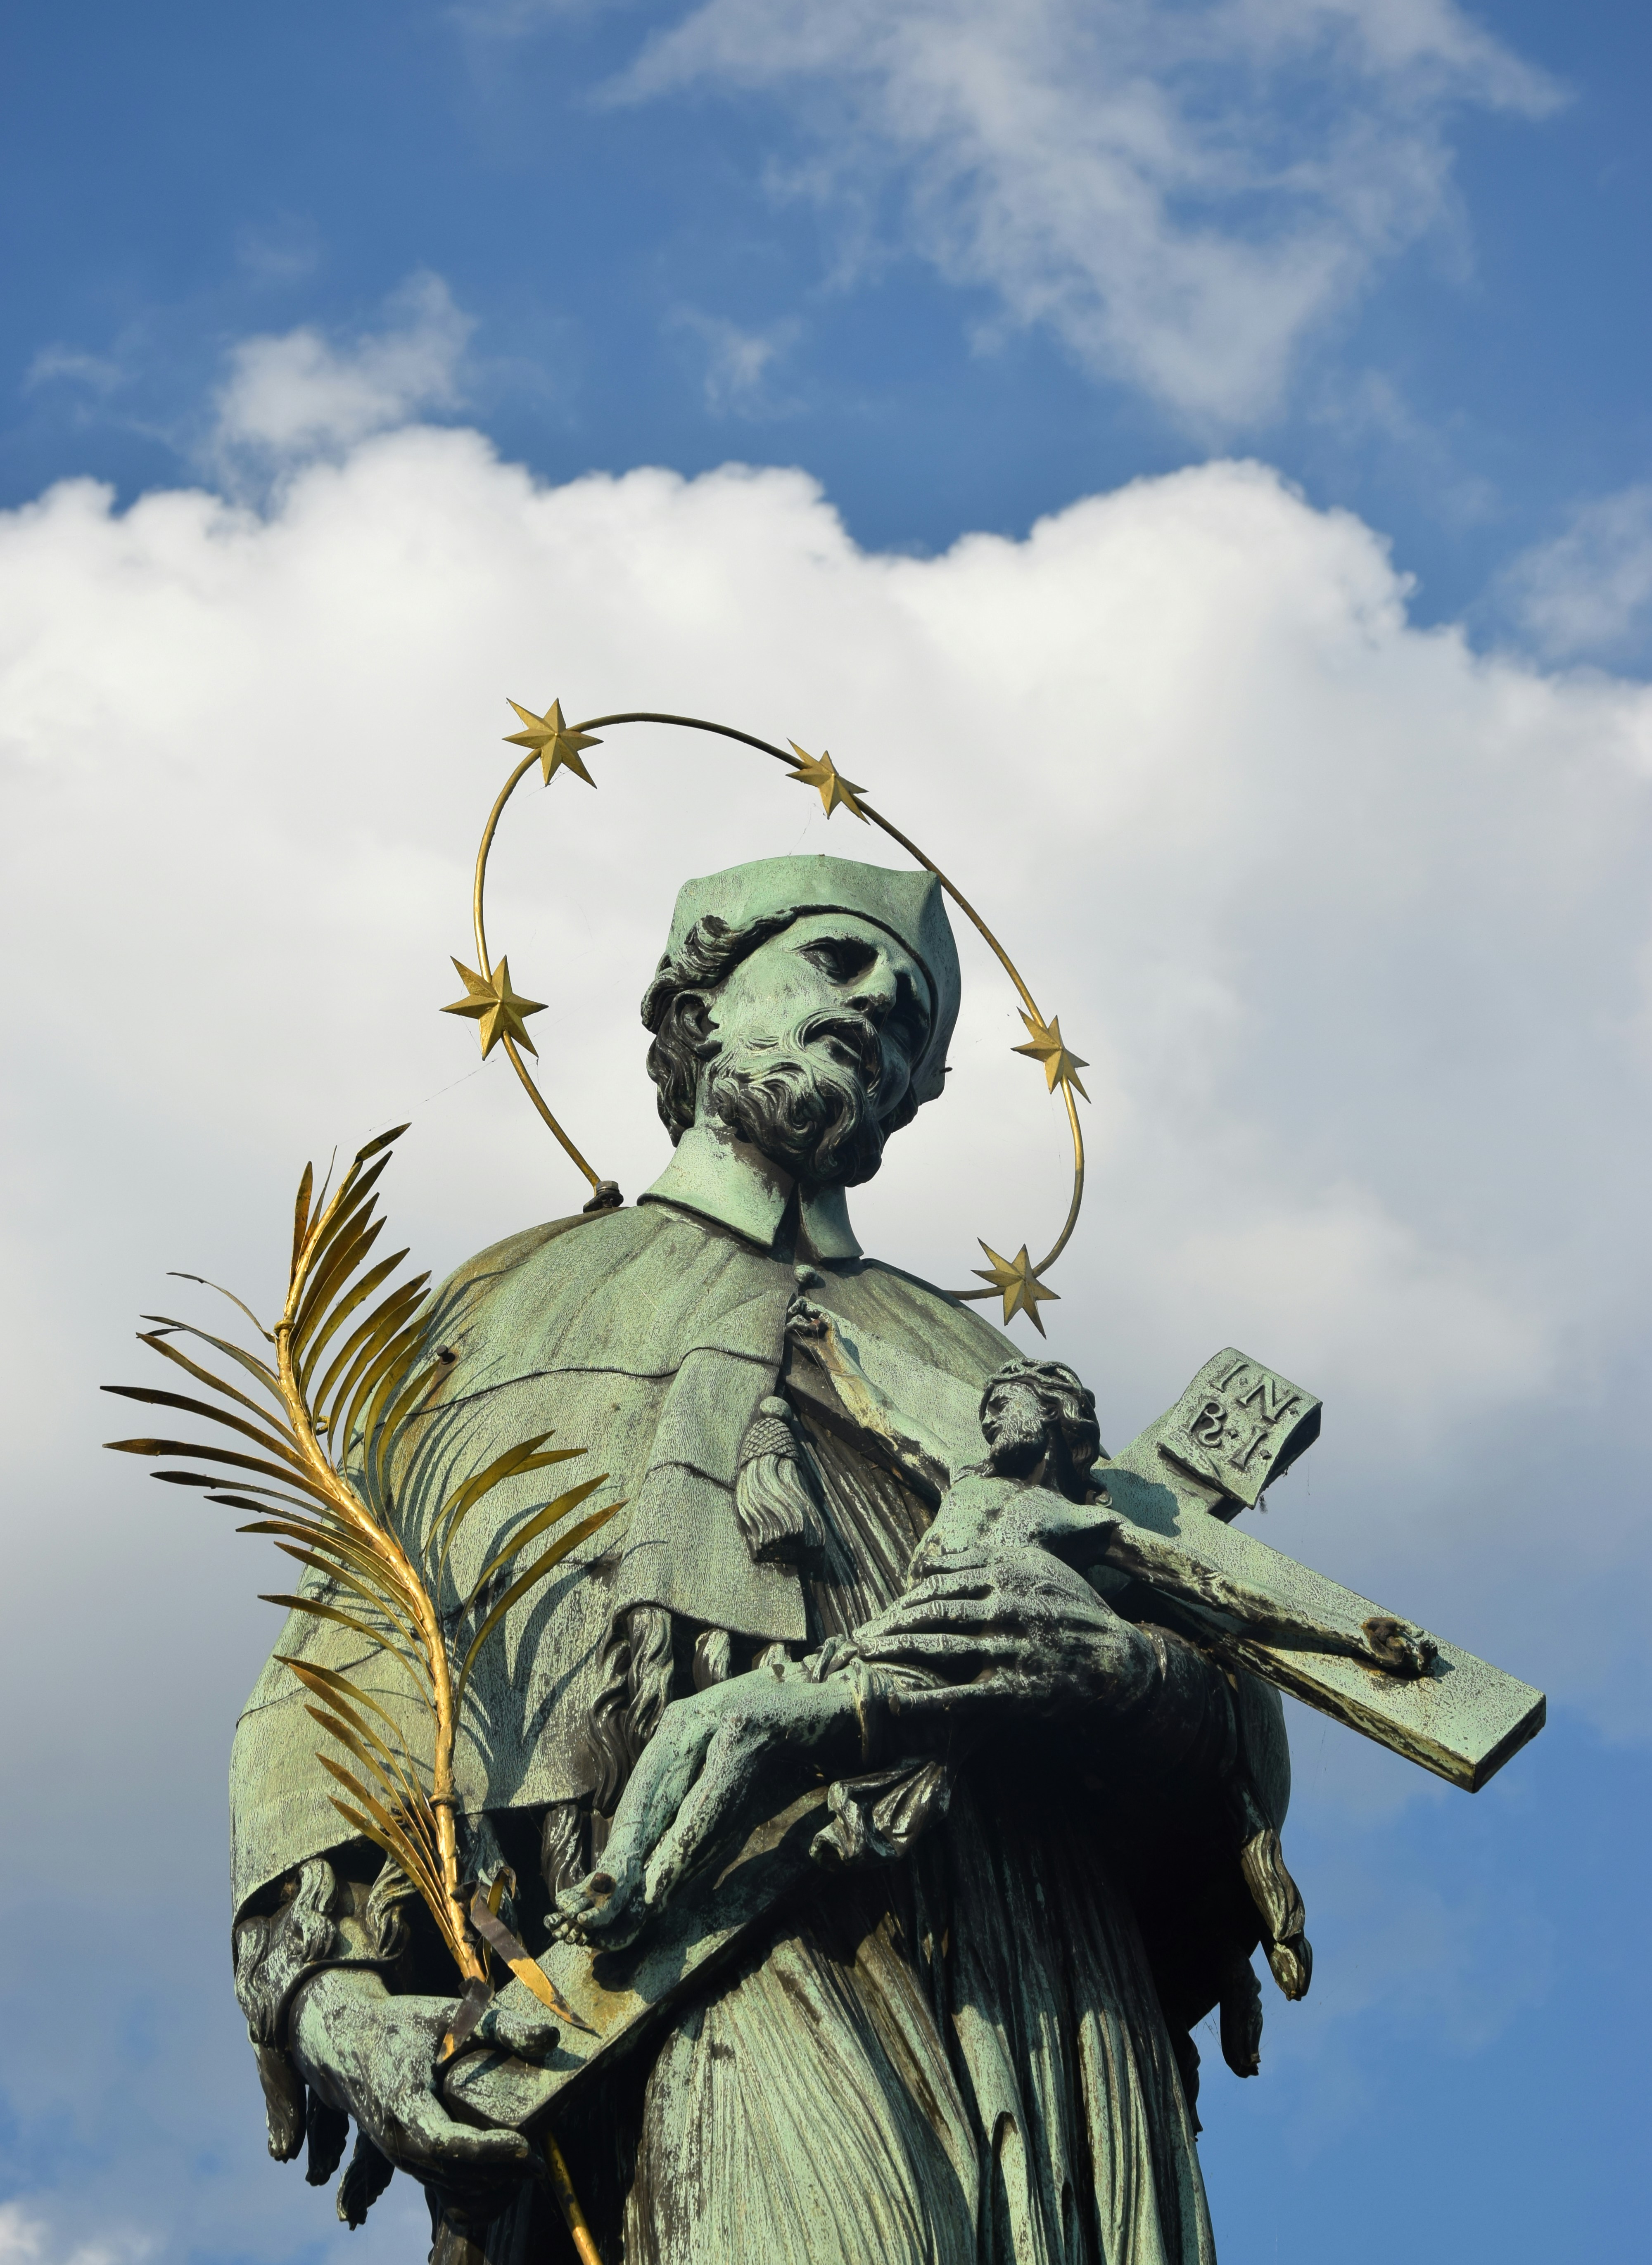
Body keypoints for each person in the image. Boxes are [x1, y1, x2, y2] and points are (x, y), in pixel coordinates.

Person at [229, 854, 1290, 2265]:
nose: (879, 1012)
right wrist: (334, 2002)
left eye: (914, 1017)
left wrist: (1120, 1673)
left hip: (1049, 1958)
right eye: (838, 966)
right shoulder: (520, 1300)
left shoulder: (992, 1372)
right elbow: (353, 1644)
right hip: (706, 1932)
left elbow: (1222, 1689)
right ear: (700, 998)